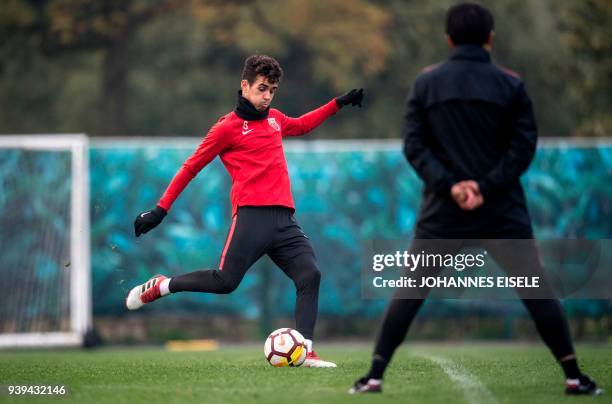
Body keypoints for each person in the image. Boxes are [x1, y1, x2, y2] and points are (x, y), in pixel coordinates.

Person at [350, 3, 602, 394]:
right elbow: (523, 146)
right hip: (501, 210)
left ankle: (375, 375)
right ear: (490, 38)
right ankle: (573, 375)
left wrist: (452, 186)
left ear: (448, 39)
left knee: (410, 291)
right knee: (537, 290)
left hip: (442, 211)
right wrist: (485, 187)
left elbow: (415, 146)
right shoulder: (511, 85)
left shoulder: (426, 84)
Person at [126, 54, 364, 368]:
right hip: (252, 217)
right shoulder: (227, 128)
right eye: (262, 88)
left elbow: (303, 125)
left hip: (285, 221)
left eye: (272, 90)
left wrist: (338, 103)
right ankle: (162, 286)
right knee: (225, 282)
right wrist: (160, 210)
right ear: (245, 86)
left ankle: (305, 350)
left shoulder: (275, 119)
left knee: (310, 274)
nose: (267, 96)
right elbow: (190, 168)